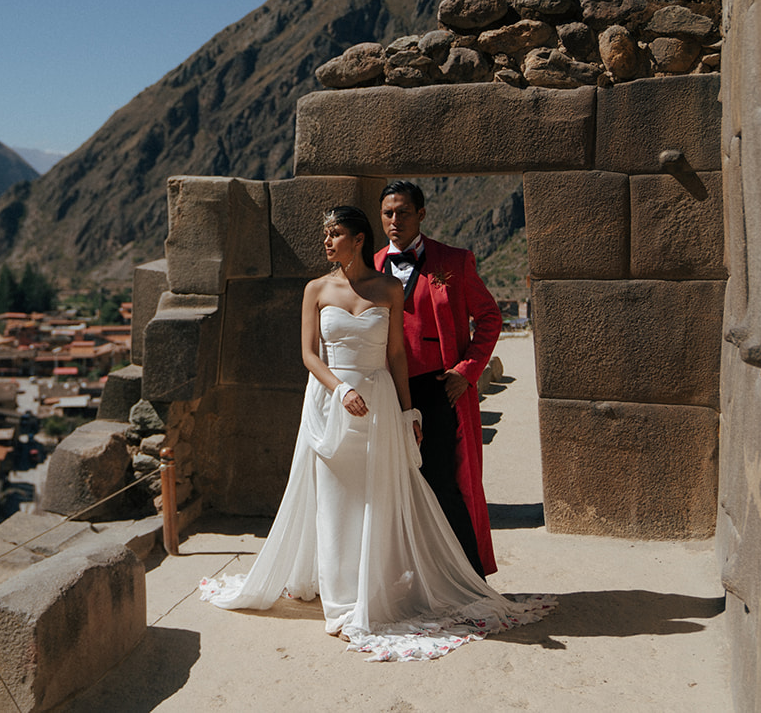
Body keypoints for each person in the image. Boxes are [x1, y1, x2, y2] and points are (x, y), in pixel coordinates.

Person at [199, 206, 552, 660]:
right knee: (333, 497)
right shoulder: (316, 289)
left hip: (380, 400)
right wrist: (342, 389)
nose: (327, 242)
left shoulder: (388, 289)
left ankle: (371, 592)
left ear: (360, 239)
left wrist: (409, 413)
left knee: (375, 497)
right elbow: (309, 356)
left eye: (336, 234)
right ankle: (342, 601)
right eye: (325, 234)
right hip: (330, 402)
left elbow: (398, 356)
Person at [376, 179, 502, 579]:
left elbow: (490, 318)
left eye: (404, 212)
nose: (396, 220)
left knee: (444, 483)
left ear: (422, 214)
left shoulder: (454, 260)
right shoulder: (370, 264)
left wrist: (466, 373)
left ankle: (468, 579)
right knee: (391, 486)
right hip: (385, 392)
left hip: (438, 389)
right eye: (388, 213)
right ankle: (407, 580)